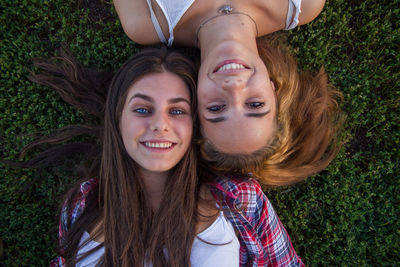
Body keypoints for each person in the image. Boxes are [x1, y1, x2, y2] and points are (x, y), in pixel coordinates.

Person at [25, 47, 304, 266]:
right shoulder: (82, 204)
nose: (160, 125)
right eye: (143, 110)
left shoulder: (240, 200)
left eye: (178, 111)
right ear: (118, 119)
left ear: (195, 123)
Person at [113, 0, 344, 186]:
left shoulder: (145, 21)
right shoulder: (303, 5)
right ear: (274, 89)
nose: (234, 87)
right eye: (255, 104)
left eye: (216, 108)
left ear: (195, 101)